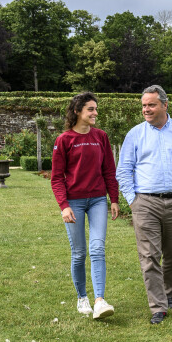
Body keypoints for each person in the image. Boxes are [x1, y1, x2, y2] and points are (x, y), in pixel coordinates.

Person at [116, 85, 172, 324]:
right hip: (145, 203)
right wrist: (132, 200)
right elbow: (123, 170)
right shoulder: (135, 134)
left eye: (151, 105)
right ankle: (158, 307)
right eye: (144, 105)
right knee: (149, 256)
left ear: (165, 105)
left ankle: (167, 293)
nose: (146, 109)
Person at [51, 92, 120, 320]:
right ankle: (82, 297)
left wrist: (114, 198)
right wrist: (64, 205)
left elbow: (109, 170)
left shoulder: (101, 136)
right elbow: (56, 177)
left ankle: (99, 301)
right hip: (74, 203)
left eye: (95, 109)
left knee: (97, 248)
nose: (95, 113)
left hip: (98, 199)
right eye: (91, 109)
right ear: (77, 111)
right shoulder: (64, 140)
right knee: (79, 252)